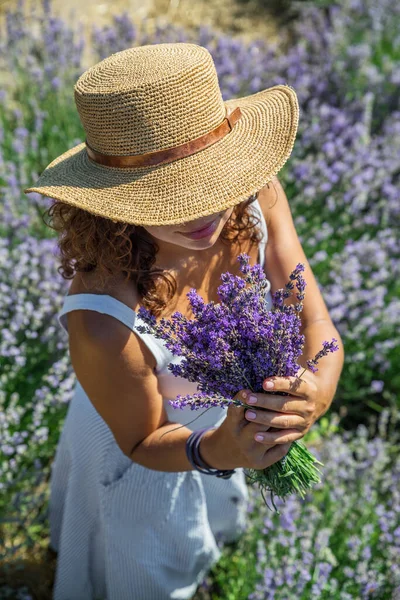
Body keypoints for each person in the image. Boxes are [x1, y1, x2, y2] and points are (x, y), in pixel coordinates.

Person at [23, 42, 325, 600]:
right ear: (109, 200)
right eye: (167, 197)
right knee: (141, 566)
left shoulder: (254, 197)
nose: (203, 212)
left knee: (210, 531)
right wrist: (222, 451)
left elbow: (316, 327)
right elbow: (141, 441)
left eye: (209, 182)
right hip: (142, 447)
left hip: (226, 428)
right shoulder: (102, 318)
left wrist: (314, 395)